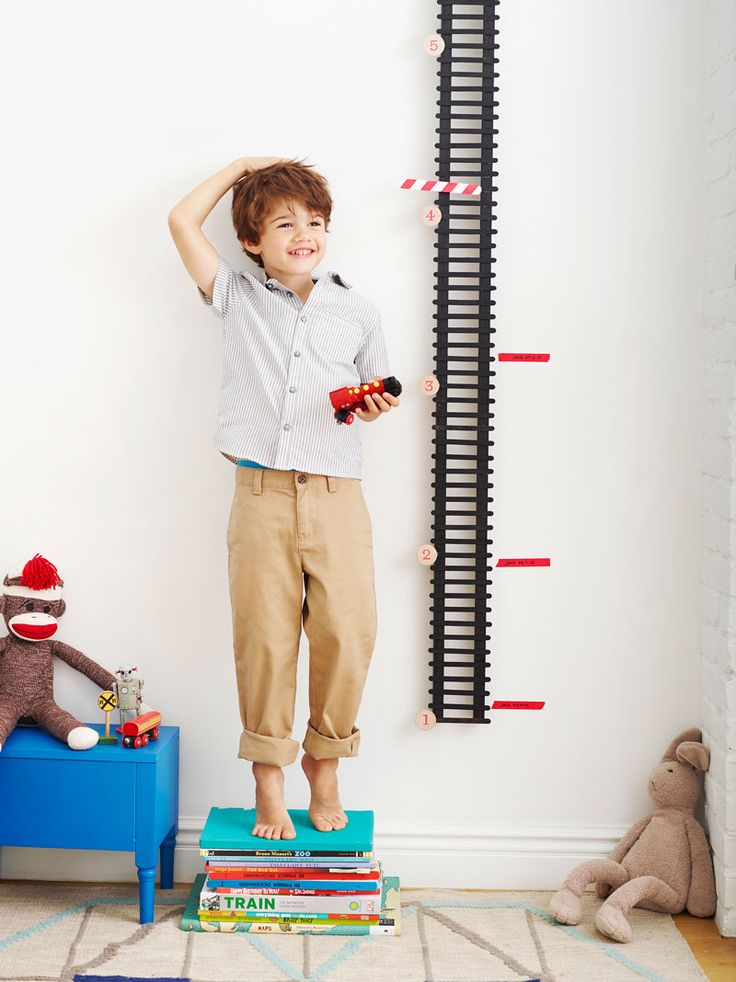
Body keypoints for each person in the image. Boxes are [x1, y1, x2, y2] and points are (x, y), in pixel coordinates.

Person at [167, 157, 399, 839]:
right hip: (261, 492)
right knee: (266, 640)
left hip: (337, 494)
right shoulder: (234, 294)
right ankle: (268, 772)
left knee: (349, 635)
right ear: (251, 239)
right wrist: (240, 170)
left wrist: (374, 404)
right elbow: (181, 220)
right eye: (286, 223)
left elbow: (369, 391)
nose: (305, 234)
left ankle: (324, 761)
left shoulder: (357, 309)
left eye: (316, 222)